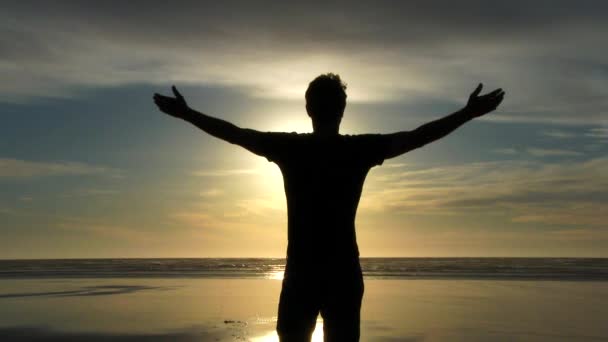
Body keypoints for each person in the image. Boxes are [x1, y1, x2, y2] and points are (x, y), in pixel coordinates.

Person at [153, 73, 504, 342]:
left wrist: (187, 114)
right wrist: (467, 114)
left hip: (303, 273)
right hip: (343, 273)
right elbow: (419, 135)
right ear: (343, 109)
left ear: (308, 109)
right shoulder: (358, 150)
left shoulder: (291, 149)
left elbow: (233, 132)